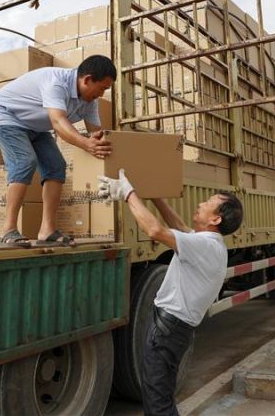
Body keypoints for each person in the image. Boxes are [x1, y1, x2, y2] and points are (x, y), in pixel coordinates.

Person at [97, 170, 243, 416]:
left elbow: (155, 231)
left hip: (169, 330)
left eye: (208, 203)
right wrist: (155, 197)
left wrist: (128, 193)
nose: (200, 204)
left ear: (216, 219)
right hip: (173, 330)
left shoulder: (204, 246)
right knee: (158, 394)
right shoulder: (207, 243)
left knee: (158, 402)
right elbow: (179, 225)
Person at [0, 55, 115, 247]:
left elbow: (96, 133)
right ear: (87, 79)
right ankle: (8, 230)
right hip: (7, 116)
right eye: (102, 88)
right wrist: (86, 144)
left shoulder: (90, 102)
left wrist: (109, 151)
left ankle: (47, 231)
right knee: (25, 161)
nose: (102, 94)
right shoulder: (56, 83)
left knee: (56, 166)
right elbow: (58, 122)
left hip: (36, 126)